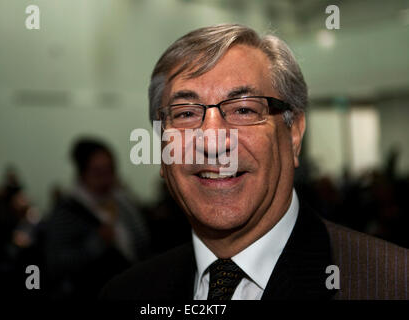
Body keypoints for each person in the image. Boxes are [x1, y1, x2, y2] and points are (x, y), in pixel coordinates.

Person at [100, 24, 407, 300]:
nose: (212, 141)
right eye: (185, 114)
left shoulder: (390, 284)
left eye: (244, 110)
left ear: (294, 133)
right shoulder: (125, 295)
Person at [44, 137, 150, 299]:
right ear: (83, 173)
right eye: (98, 172)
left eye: (109, 171)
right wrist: (97, 243)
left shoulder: (122, 200)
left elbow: (141, 241)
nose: (106, 179)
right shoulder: (68, 210)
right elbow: (56, 263)